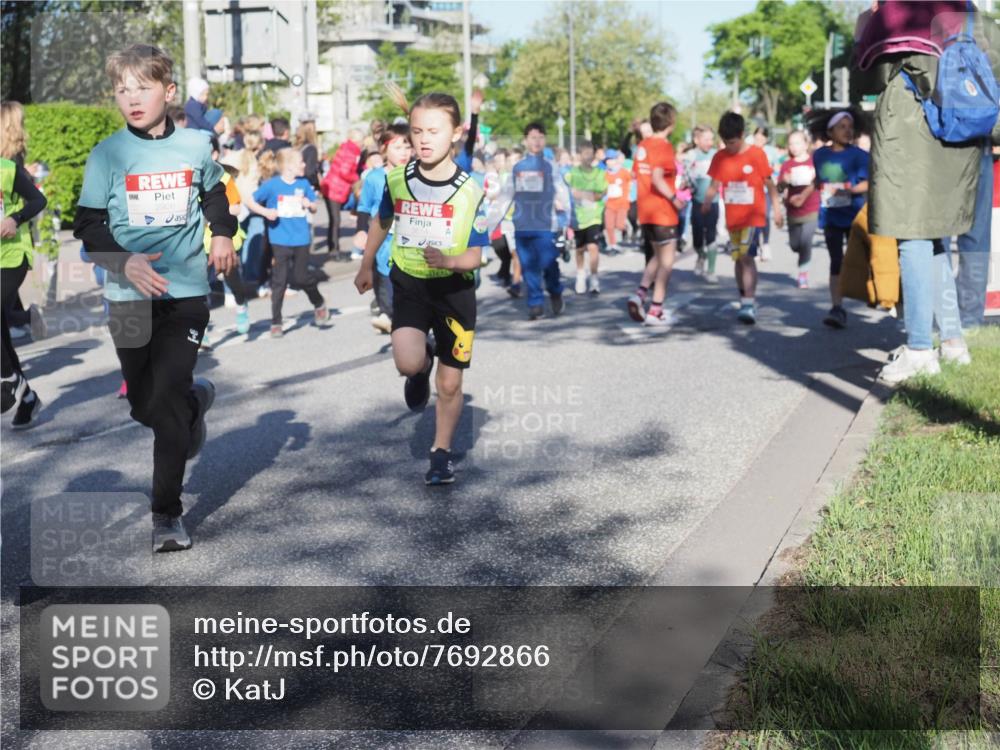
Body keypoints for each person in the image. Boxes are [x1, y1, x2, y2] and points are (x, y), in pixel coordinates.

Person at [72, 44, 238, 552]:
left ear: (168, 92)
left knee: (162, 402)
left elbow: (215, 191)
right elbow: (88, 226)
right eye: (122, 90)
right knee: (143, 403)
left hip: (185, 292)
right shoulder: (107, 155)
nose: (131, 98)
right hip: (125, 294)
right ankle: (195, 403)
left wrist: (224, 233)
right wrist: (126, 261)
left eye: (142, 87)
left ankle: (166, 514)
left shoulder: (194, 145)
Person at [354, 89, 488, 485]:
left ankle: (440, 453)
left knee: (450, 383)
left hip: (454, 291)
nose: (424, 139)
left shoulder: (471, 190)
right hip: (409, 282)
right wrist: (365, 263)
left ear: (456, 134)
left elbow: (475, 257)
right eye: (417, 131)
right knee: (408, 363)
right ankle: (421, 364)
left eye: (433, 130)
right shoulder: (396, 180)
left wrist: (448, 260)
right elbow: (381, 220)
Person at [702, 111, 784, 325]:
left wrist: (776, 209)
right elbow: (714, 184)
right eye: (726, 142)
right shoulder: (720, 157)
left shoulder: (756, 155)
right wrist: (706, 202)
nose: (730, 147)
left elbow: (769, 184)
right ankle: (743, 295)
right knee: (738, 258)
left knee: (747, 257)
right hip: (732, 217)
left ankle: (748, 302)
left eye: (733, 142)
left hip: (753, 216)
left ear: (742, 135)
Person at [244, 148, 331, 338]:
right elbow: (250, 201)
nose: (304, 165)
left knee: (300, 278)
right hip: (280, 238)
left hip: (301, 238)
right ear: (289, 166)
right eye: (300, 162)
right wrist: (266, 212)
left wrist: (310, 205)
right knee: (279, 280)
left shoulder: (304, 183)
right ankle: (276, 322)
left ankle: (318, 302)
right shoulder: (272, 185)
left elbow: (315, 206)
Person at [487, 122, 569, 320]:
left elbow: (563, 193)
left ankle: (555, 290)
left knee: (548, 263)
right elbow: (505, 197)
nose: (537, 141)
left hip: (545, 226)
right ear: (525, 141)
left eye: (540, 137)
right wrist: (488, 225)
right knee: (529, 265)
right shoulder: (518, 168)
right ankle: (535, 303)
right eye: (532, 137)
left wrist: (567, 218)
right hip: (522, 226)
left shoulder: (551, 167)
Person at [626, 102, 685, 327]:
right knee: (667, 262)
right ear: (671, 122)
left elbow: (637, 175)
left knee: (657, 256)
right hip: (662, 211)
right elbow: (658, 178)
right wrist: (675, 199)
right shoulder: (663, 146)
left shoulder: (643, 145)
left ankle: (639, 294)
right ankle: (655, 309)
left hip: (645, 210)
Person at [1, 156, 47, 428]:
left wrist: (14, 218)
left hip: (11, 257)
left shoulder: (6, 170)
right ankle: (27, 397)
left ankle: (7, 379)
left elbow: (39, 201)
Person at [812, 110, 869, 328]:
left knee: (859, 261)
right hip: (831, 216)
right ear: (830, 131)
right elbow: (819, 179)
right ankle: (837, 308)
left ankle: (875, 294)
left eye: (850, 126)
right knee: (836, 261)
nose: (847, 130)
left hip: (855, 216)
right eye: (842, 127)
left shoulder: (860, 155)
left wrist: (850, 190)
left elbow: (870, 182)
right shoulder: (820, 155)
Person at [356, 122, 412, 334]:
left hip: (412, 248)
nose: (404, 153)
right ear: (384, 150)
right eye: (398, 148)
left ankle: (405, 327)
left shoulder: (417, 175)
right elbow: (364, 206)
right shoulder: (374, 178)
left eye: (408, 147)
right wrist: (361, 230)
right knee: (389, 294)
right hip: (385, 247)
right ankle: (392, 319)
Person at [777, 129, 821, 289]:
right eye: (791, 144)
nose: (794, 147)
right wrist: (784, 182)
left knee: (806, 241)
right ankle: (801, 256)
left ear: (806, 144)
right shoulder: (787, 164)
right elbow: (779, 188)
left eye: (797, 143)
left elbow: (820, 182)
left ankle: (803, 274)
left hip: (811, 207)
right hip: (793, 210)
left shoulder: (814, 162)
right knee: (795, 245)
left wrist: (806, 193)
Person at [565, 140, 606, 295]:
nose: (588, 157)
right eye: (585, 154)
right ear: (580, 156)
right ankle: (581, 274)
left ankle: (594, 279)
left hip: (594, 216)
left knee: (593, 246)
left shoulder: (599, 173)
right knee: (580, 248)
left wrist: (584, 194)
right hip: (578, 216)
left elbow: (600, 194)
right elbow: (568, 190)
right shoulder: (573, 173)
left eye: (590, 154)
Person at [320, 129, 363, 259]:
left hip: (331, 186)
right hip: (335, 188)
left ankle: (332, 249)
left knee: (334, 220)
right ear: (357, 140)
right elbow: (344, 172)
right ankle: (334, 251)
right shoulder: (352, 150)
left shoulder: (346, 147)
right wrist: (356, 178)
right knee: (335, 220)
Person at [686, 125, 720, 282]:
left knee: (712, 235)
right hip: (697, 202)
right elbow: (686, 177)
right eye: (705, 139)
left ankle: (711, 270)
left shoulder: (716, 155)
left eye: (711, 139)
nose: (709, 142)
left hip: (713, 202)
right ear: (696, 140)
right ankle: (701, 255)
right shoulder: (691, 156)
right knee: (697, 238)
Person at [752, 126, 781, 261]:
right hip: (752, 191)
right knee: (753, 219)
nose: (759, 140)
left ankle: (766, 244)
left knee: (764, 216)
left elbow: (777, 169)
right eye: (757, 137)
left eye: (762, 137)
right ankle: (755, 246)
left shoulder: (772, 152)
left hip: (766, 189)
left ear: (766, 139)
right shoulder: (750, 150)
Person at [603, 149, 630, 254]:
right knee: (609, 225)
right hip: (610, 203)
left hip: (622, 203)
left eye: (612, 159)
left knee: (619, 225)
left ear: (616, 160)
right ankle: (613, 244)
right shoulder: (604, 174)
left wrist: (629, 194)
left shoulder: (623, 172)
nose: (609, 162)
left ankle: (625, 228)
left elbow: (632, 181)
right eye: (607, 160)